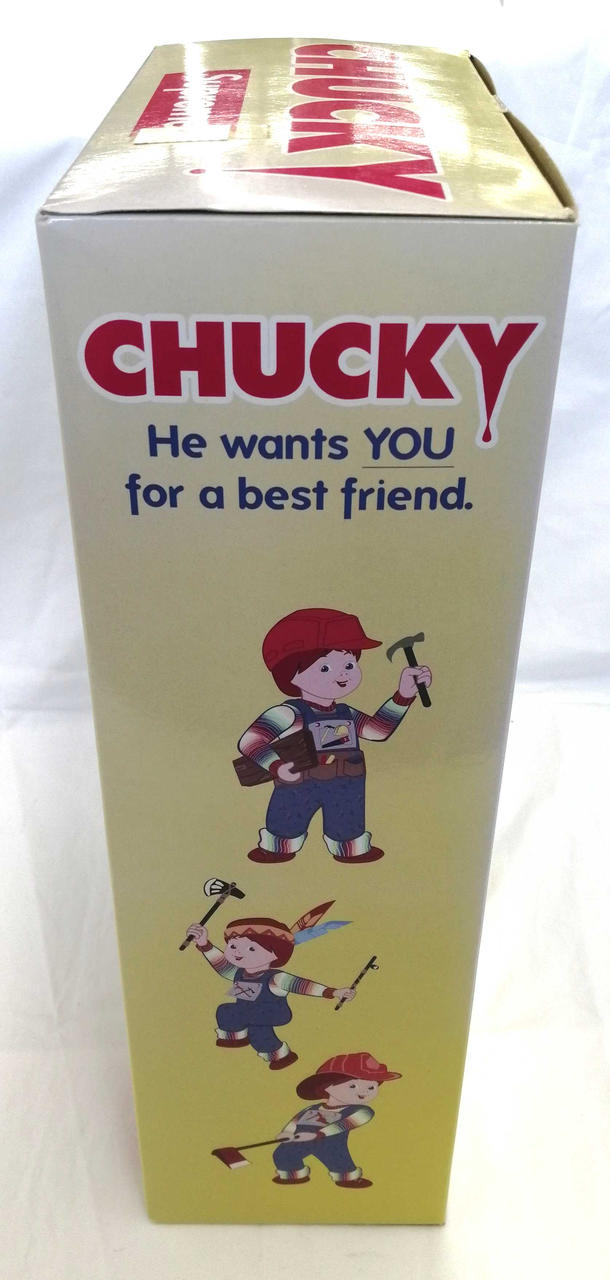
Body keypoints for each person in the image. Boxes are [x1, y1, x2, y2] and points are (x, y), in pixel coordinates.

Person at [238, 607, 431, 863]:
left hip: (346, 787)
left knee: (348, 827)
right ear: (291, 673)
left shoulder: (347, 713)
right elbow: (250, 741)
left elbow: (377, 731)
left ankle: (350, 848)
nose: (343, 674)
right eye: (325, 667)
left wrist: (403, 695)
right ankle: (277, 848)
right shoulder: (288, 714)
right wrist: (276, 766)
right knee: (285, 825)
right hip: (298, 787)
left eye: (349, 664)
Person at [186, 904, 355, 1069]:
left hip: (274, 1013)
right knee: (241, 1022)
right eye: (233, 946)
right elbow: (221, 964)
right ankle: (270, 1052)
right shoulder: (238, 973)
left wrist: (333, 992)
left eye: (251, 948)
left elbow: (303, 985)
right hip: (247, 1013)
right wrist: (204, 943)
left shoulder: (276, 978)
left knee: (248, 1019)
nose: (237, 952)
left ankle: (249, 1038)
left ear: (275, 955)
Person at [272, 1052, 401, 1187]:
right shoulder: (312, 1108)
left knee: (340, 1162)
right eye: (353, 1086)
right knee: (282, 1154)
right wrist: (287, 1133)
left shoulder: (362, 1111)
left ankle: (348, 1179)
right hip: (300, 1141)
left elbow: (344, 1125)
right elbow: (295, 1121)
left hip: (330, 1144)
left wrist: (319, 1134)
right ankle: (293, 1175)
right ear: (327, 1086)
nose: (364, 1092)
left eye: (371, 1087)